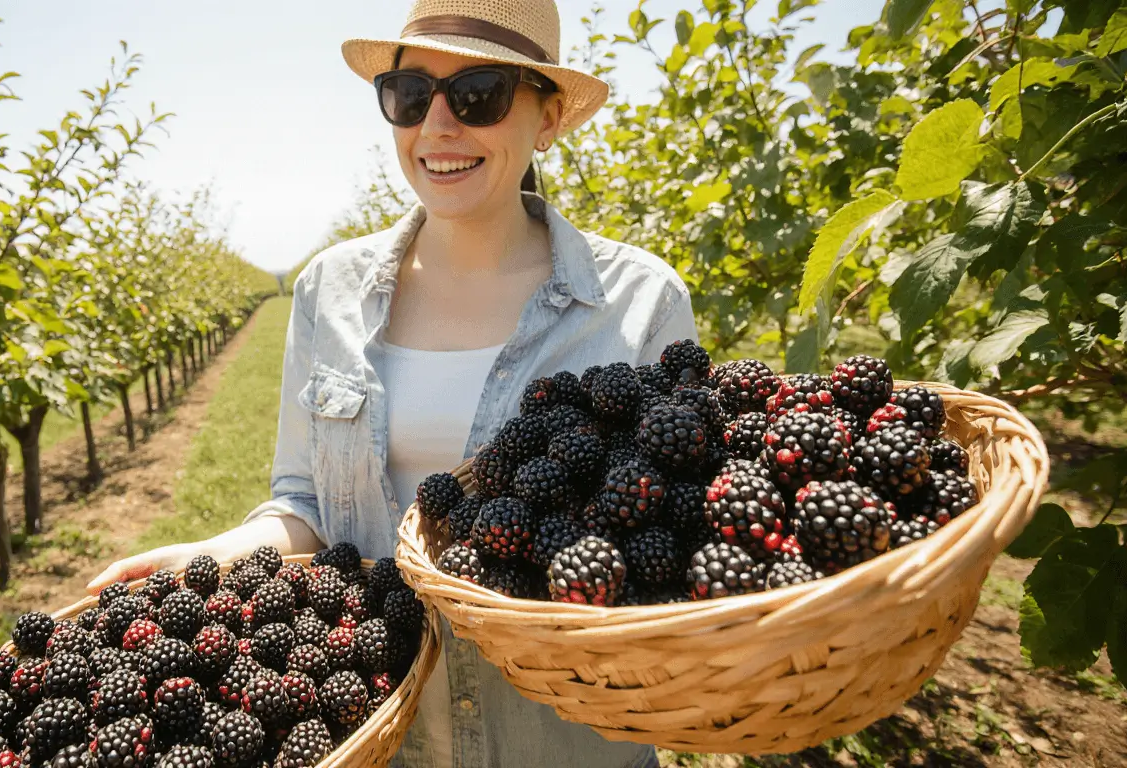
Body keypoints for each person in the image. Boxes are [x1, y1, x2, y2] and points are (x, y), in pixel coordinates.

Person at [88, 1, 695, 765]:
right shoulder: (327, 292)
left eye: (479, 94)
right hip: (378, 732)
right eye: (410, 95)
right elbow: (305, 502)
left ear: (546, 119)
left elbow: (671, 539)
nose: (437, 125)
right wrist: (223, 551)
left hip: (562, 739)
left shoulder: (641, 303)